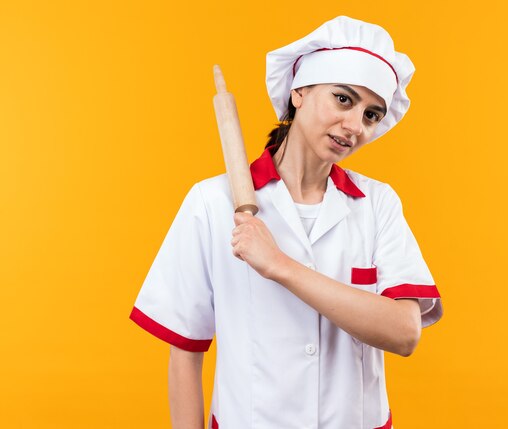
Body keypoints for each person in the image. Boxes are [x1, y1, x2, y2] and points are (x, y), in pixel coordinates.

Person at [130, 16, 443, 429]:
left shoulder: (377, 204)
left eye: (371, 115)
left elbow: (405, 333)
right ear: (298, 92)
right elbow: (186, 351)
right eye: (343, 99)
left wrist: (280, 265)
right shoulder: (210, 202)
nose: (354, 127)